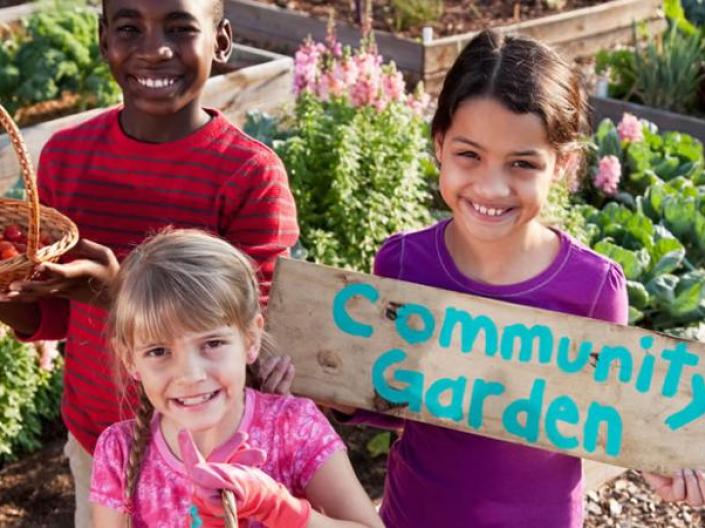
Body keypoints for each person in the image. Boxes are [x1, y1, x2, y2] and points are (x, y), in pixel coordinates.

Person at [334, 30, 705, 527]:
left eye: (523, 163)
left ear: (563, 166)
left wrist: (661, 461)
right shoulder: (404, 262)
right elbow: (393, 395)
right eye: (469, 154)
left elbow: (606, 416)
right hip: (414, 514)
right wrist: (332, 392)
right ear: (439, 145)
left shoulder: (593, 289)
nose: (491, 186)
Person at [0, 1, 296, 526]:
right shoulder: (67, 157)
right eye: (129, 28)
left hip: (213, 457)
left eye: (180, 29)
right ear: (103, 39)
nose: (154, 49)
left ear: (221, 41)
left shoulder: (248, 173)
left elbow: (249, 334)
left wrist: (117, 292)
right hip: (96, 445)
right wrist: (10, 294)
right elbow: (50, 318)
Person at [89, 229, 383, 528]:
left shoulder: (293, 428)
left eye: (213, 343)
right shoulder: (119, 452)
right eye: (159, 351)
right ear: (130, 359)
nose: (190, 374)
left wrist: (276, 506)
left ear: (251, 337)